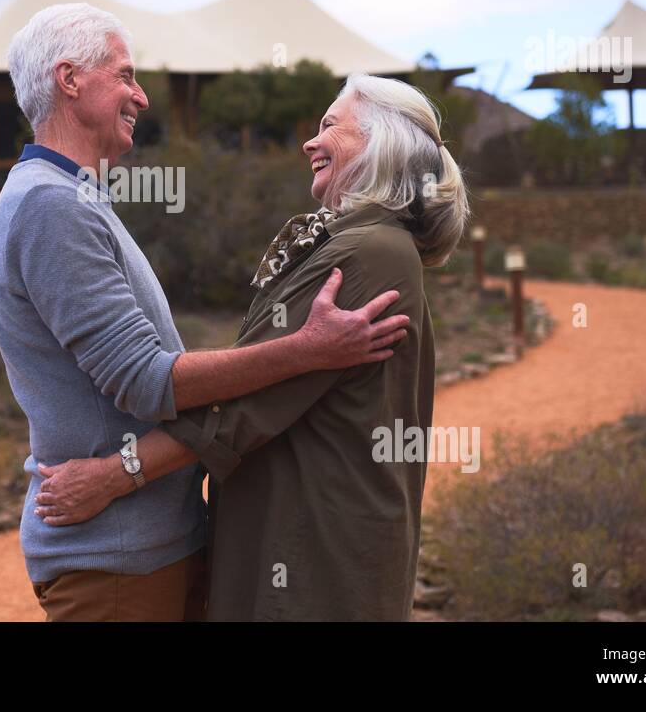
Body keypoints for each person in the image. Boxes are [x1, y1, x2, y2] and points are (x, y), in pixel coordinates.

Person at [0, 3, 411, 621]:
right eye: (126, 75)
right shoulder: (53, 207)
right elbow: (146, 382)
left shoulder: (73, 198)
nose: (142, 96)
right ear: (69, 79)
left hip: (141, 549)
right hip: (119, 559)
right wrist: (307, 349)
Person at [34, 72, 469, 620]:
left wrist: (119, 473)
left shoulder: (367, 250)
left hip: (310, 555)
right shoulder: (367, 243)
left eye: (330, 125)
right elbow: (269, 381)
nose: (310, 142)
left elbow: (249, 405)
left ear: (381, 143)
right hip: (316, 541)